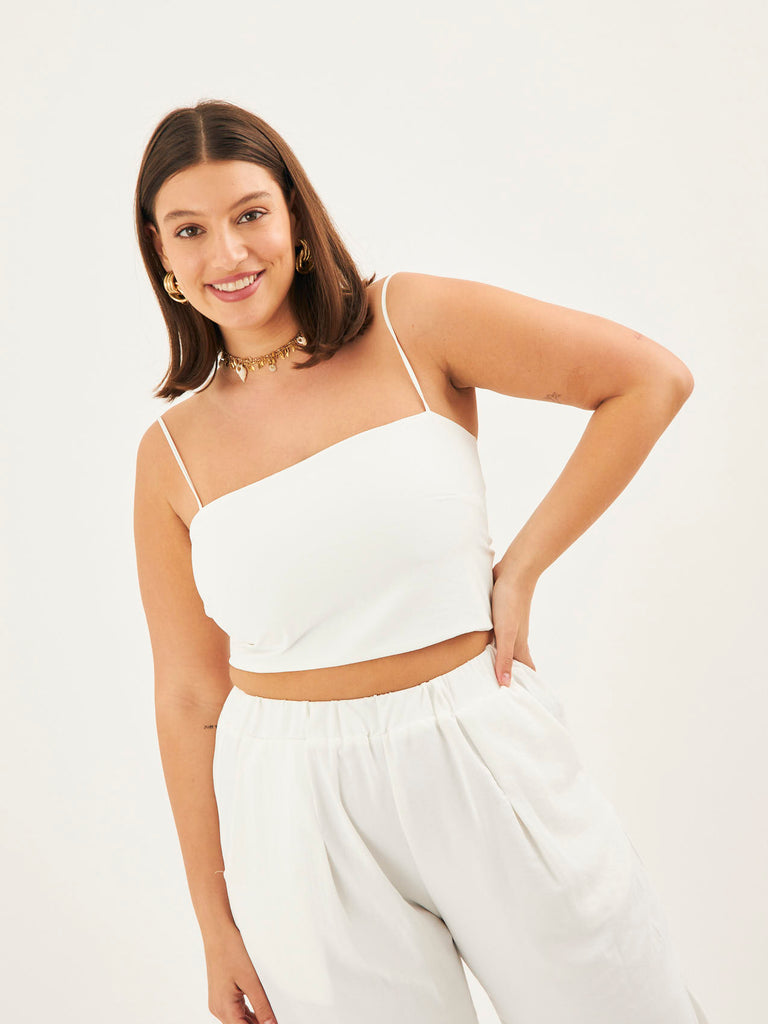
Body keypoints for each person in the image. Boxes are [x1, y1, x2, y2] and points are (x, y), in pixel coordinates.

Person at [132, 99, 711, 1024]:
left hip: (479, 748)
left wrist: (521, 568)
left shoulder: (409, 323)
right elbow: (190, 697)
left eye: (250, 214)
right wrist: (215, 923)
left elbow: (649, 379)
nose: (228, 253)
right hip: (295, 807)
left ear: (295, 218)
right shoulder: (171, 455)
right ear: (161, 255)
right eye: (190, 230)